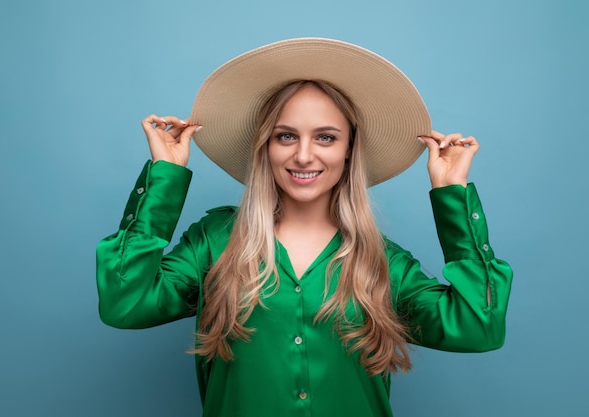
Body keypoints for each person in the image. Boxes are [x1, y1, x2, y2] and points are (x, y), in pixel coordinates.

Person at [96, 38, 512, 417]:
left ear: (349, 150)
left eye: (326, 137)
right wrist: (164, 176)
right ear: (266, 146)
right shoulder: (215, 241)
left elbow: (478, 327)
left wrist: (452, 194)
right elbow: (125, 304)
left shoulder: (383, 261)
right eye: (286, 136)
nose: (304, 156)